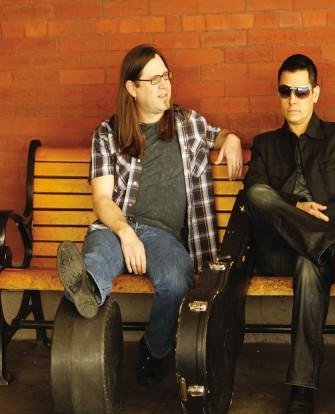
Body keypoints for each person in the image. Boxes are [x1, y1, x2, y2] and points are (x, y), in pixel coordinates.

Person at [56, 44, 243, 385]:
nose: (164, 85)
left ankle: (154, 350)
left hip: (162, 237)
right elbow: (102, 199)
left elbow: (220, 135)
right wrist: (126, 232)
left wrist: (231, 139)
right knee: (97, 259)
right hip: (115, 228)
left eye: (166, 76)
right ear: (132, 88)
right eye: (154, 79)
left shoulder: (188, 124)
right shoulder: (107, 134)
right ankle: (85, 288)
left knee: (177, 281)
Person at [243, 54, 335, 414]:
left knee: (308, 262)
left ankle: (302, 388)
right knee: (256, 193)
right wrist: (296, 206)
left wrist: (323, 215)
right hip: (279, 252)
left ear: (315, 93)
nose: (293, 99)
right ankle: (329, 251)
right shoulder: (266, 144)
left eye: (301, 91)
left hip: (320, 245)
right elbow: (254, 194)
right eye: (285, 91)